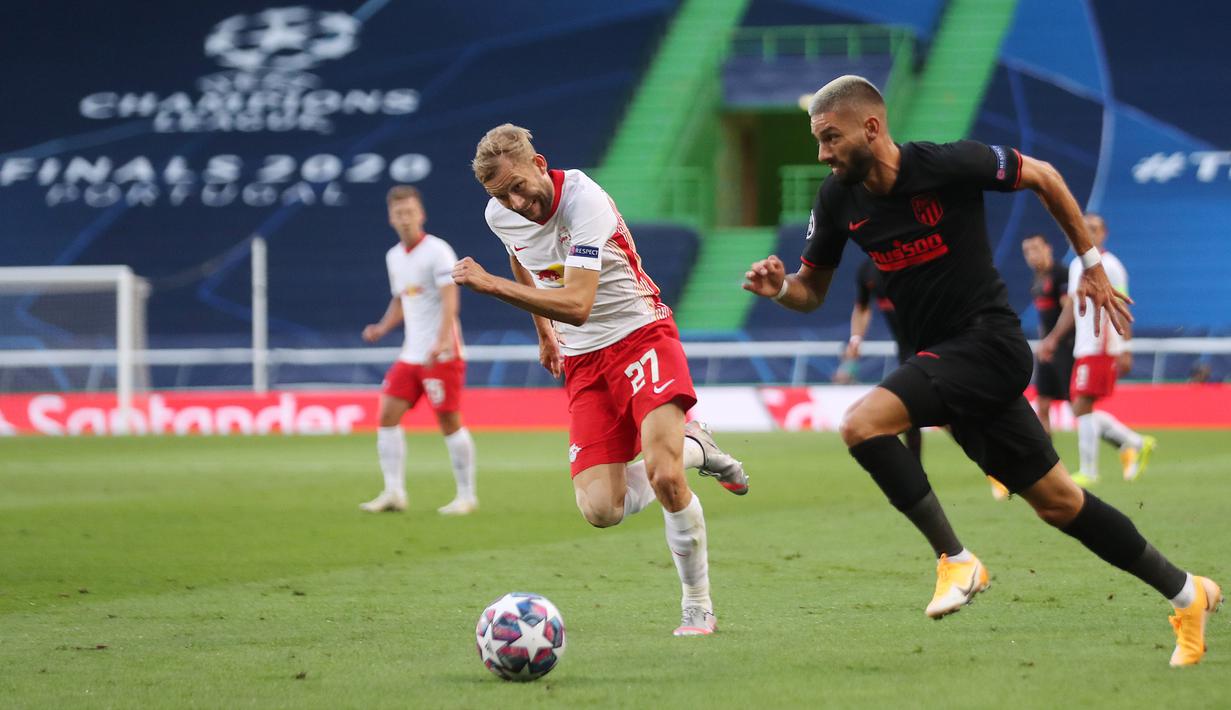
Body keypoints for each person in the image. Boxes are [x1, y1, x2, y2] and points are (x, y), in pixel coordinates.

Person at [742, 75, 1219, 666]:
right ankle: (1187, 591)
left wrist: (1090, 264)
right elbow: (810, 291)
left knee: (861, 424)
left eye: (830, 138)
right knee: (1060, 503)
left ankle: (956, 560)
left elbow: (1043, 175)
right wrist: (779, 288)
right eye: (818, 141)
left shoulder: (948, 165)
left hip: (988, 343)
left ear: (871, 127)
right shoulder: (837, 200)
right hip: (942, 361)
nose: (822, 153)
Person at [455, 124, 748, 637]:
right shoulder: (499, 213)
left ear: (540, 163)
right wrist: (543, 334)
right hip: (584, 362)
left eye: (519, 186)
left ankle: (697, 605)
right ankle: (696, 446)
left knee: (663, 474)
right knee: (601, 510)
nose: (517, 202)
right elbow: (520, 256)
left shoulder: (585, 201)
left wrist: (490, 287)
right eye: (502, 195)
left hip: (641, 336)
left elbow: (578, 305)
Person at [360, 186, 478, 516]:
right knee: (386, 416)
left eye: (410, 212)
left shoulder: (438, 251)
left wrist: (442, 341)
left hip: (442, 354)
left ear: (421, 214)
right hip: (411, 353)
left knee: (449, 422)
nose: (405, 218)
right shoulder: (394, 257)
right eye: (399, 213)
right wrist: (383, 327)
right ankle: (394, 492)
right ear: (391, 218)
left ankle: (466, 495)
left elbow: (450, 299)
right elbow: (402, 299)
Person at [1039, 214, 1156, 487]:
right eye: (1083, 228)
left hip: (1102, 344)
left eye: (1093, 229)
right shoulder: (1075, 266)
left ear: (1104, 233)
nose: (1088, 233)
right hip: (1084, 345)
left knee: (1081, 404)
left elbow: (1123, 307)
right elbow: (1070, 307)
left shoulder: (1111, 266)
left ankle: (1090, 470)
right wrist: (1053, 338)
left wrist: (1125, 348)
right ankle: (1135, 443)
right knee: (1081, 406)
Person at [844, 259, 922, 460]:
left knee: (940, 412)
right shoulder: (867, 269)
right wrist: (855, 339)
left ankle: (994, 467)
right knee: (909, 409)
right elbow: (862, 307)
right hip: (905, 350)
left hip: (933, 344)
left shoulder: (912, 260)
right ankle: (917, 471)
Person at [1021, 233, 1074, 435]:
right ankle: (1049, 462)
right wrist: (1044, 343)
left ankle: (1123, 441)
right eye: (1027, 251)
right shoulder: (1036, 281)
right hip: (1047, 348)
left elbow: (1070, 310)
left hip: (1065, 346)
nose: (1031, 255)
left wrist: (1054, 340)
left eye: (1035, 248)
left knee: (1076, 405)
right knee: (1042, 403)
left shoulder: (1061, 274)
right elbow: (1044, 319)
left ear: (1048, 248)